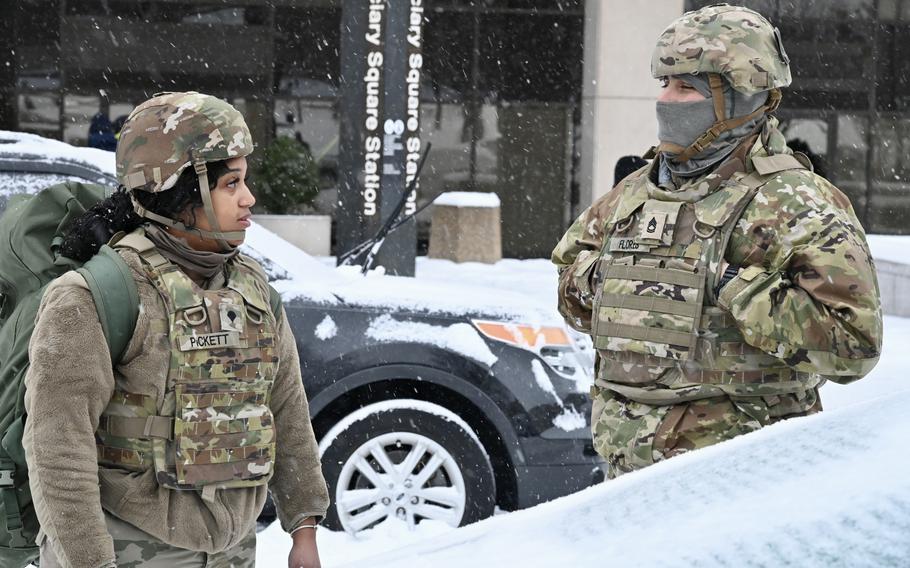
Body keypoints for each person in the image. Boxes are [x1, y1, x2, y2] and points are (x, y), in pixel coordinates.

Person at [552, 5, 882, 480]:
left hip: (741, 481)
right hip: (625, 479)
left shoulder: (794, 202)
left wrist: (727, 284)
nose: (666, 99)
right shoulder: (636, 191)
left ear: (743, 98)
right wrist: (611, 280)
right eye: (664, 84)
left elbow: (854, 347)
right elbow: (569, 286)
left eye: (686, 87)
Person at [23, 92, 328, 567]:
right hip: (127, 547)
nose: (249, 199)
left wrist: (304, 526)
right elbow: (57, 448)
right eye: (231, 184)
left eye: (245, 181)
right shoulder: (95, 295)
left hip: (234, 549)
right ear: (180, 195)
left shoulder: (253, 288)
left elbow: (285, 409)